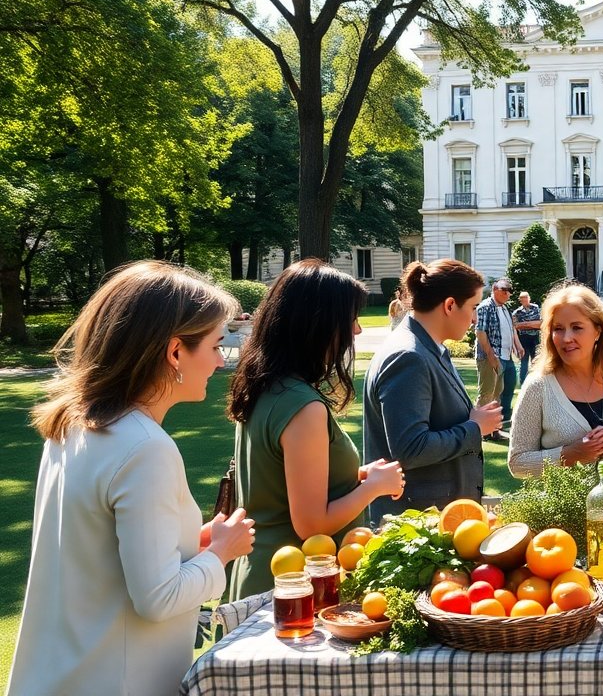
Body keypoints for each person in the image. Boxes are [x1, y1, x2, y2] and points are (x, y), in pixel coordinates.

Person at [9, 262, 256, 696]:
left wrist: (195, 543)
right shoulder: (145, 447)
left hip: (56, 676)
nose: (221, 361)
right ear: (175, 352)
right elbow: (158, 598)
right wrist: (221, 552)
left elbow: (99, 554)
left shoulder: (71, 426)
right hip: (116, 681)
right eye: (216, 345)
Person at [226, 260, 405, 600]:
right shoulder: (303, 406)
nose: (357, 331)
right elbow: (311, 524)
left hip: (264, 575)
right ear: (318, 324)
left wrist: (359, 476)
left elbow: (281, 481)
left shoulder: (266, 386)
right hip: (292, 589)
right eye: (350, 319)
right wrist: (374, 488)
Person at [364, 260, 502, 521]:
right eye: (473, 307)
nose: (475, 319)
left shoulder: (427, 347)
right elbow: (411, 448)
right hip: (415, 525)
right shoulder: (409, 356)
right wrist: (475, 428)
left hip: (435, 519)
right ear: (449, 305)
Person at [509, 284, 603, 494]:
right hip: (560, 514)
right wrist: (569, 455)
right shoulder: (538, 386)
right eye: (558, 329)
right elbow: (517, 463)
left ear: (598, 331)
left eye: (577, 327)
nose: (566, 338)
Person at [475, 277, 524, 436]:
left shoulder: (505, 308)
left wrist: (518, 345)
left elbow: (512, 329)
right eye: (505, 291)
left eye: (510, 291)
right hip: (490, 357)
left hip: (505, 357)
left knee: (498, 395)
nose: (508, 294)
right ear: (495, 290)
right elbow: (480, 332)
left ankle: (494, 429)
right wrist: (491, 357)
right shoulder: (485, 307)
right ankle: (479, 431)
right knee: (487, 395)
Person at [513, 290, 542, 385]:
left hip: (535, 338)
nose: (524, 301)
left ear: (529, 298)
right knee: (524, 362)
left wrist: (524, 324)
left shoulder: (536, 308)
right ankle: (523, 383)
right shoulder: (517, 312)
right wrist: (532, 324)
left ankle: (536, 382)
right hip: (523, 339)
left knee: (536, 360)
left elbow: (540, 323)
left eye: (526, 298)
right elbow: (515, 326)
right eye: (522, 299)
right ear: (520, 301)